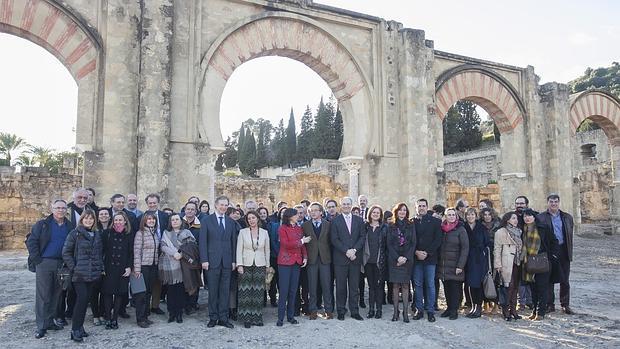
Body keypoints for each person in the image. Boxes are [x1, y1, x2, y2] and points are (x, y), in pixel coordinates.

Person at [27, 199, 75, 339]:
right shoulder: (43, 224)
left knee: (57, 295)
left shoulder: (69, 226)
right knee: (43, 295)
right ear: (52, 209)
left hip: (62, 264)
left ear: (66, 210)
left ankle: (50, 322)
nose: (61, 210)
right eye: (58, 207)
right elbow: (32, 241)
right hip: (45, 263)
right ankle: (41, 326)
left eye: (63, 208)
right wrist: (38, 260)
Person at [62, 209, 104, 343]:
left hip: (93, 274)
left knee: (86, 301)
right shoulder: (75, 234)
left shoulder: (96, 234)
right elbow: (66, 252)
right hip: (79, 274)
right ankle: (75, 330)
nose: (88, 220)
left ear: (94, 221)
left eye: (91, 218)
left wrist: (100, 268)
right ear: (82, 220)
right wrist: (74, 267)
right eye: (86, 218)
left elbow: (99, 254)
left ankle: (80, 327)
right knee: (82, 300)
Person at [200, 196, 239, 329]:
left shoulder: (230, 222)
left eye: (226, 205)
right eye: (221, 205)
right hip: (212, 262)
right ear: (216, 205)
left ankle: (223, 317)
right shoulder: (206, 221)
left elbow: (234, 242)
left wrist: (234, 260)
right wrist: (204, 260)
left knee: (225, 291)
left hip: (227, 262)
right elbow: (202, 242)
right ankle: (213, 317)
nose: (223, 207)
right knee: (213, 291)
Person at [537, 194, 574, 315]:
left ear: (559, 203)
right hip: (549, 250)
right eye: (551, 201)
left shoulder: (567, 217)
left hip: (563, 249)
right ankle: (549, 304)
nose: (554, 204)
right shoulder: (541, 217)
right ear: (547, 203)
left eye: (556, 202)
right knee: (549, 279)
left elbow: (569, 234)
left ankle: (565, 305)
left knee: (565, 279)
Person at [330, 197, 366, 321]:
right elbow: (334, 239)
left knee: (354, 287)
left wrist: (354, 250)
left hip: (355, 258)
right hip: (340, 259)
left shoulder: (359, 220)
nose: (346, 206)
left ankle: (354, 311)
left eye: (348, 204)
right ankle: (341, 310)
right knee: (340, 287)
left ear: (351, 205)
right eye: (344, 204)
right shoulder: (335, 221)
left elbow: (362, 237)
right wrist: (347, 251)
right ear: (341, 206)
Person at [522, 209, 559, 321]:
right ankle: (534, 311)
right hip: (529, 262)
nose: (527, 218)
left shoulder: (542, 228)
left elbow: (554, 241)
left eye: (529, 216)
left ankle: (541, 312)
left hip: (542, 260)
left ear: (534, 217)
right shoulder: (523, 230)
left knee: (542, 287)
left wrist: (552, 256)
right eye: (525, 216)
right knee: (533, 288)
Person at [236, 211, 270, 328]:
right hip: (245, 264)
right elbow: (238, 249)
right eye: (249, 218)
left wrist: (267, 265)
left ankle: (257, 317)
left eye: (253, 218)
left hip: (260, 264)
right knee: (245, 291)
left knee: (258, 291)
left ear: (257, 219)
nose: (251, 220)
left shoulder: (265, 233)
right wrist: (239, 264)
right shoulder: (242, 232)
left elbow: (267, 250)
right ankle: (246, 317)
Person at [276, 208, 309, 326]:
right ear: (290, 216)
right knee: (284, 291)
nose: (298, 216)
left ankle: (290, 317)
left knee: (293, 290)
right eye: (296, 214)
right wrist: (301, 241)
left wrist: (305, 257)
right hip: (285, 263)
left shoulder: (299, 228)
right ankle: (280, 318)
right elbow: (286, 244)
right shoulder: (282, 229)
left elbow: (303, 246)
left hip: (296, 262)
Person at [101, 212, 133, 329]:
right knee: (108, 293)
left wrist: (129, 266)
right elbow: (102, 251)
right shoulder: (107, 233)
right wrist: (101, 266)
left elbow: (131, 252)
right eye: (116, 220)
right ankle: (108, 318)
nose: (118, 222)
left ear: (125, 221)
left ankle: (115, 319)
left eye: (120, 220)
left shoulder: (129, 234)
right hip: (109, 267)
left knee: (119, 294)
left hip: (122, 267)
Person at [160, 214, 194, 323]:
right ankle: (171, 313)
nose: (175, 221)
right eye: (172, 220)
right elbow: (163, 246)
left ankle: (179, 313)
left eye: (177, 219)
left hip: (183, 264)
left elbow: (192, 246)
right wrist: (174, 253)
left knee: (180, 290)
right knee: (171, 290)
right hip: (170, 264)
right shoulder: (166, 233)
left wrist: (181, 254)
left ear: (181, 221)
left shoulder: (187, 233)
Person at [412, 199, 442, 322]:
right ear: (416, 208)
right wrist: (416, 252)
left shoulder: (435, 222)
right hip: (416, 258)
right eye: (419, 206)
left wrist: (427, 253)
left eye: (423, 206)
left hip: (430, 258)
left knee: (430, 285)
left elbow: (438, 239)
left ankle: (430, 310)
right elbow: (410, 240)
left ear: (427, 207)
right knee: (417, 285)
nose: (421, 208)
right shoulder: (412, 222)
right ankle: (419, 309)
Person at [302, 202, 334, 320]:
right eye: (311, 210)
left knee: (326, 285)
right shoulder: (305, 225)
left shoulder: (328, 224)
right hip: (311, 259)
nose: (313, 212)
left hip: (325, 259)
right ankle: (313, 311)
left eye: (316, 210)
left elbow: (331, 242)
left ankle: (328, 311)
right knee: (312, 286)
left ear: (321, 212)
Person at [386, 203, 416, 322]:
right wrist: (397, 258)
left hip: (407, 259)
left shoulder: (411, 225)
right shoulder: (391, 225)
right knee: (395, 286)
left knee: (405, 286)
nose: (402, 212)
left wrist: (405, 257)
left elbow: (413, 242)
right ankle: (395, 312)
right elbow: (388, 244)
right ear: (396, 212)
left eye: (404, 210)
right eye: (400, 210)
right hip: (394, 260)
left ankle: (405, 313)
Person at [437, 208, 469, 320]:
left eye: (453, 215)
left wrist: (460, 265)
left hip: (456, 264)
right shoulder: (442, 229)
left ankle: (454, 310)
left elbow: (465, 248)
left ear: (456, 216)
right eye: (449, 215)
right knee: (446, 287)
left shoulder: (461, 230)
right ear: (445, 216)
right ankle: (449, 308)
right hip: (444, 264)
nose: (451, 217)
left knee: (455, 288)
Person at [494, 211, 523, 321]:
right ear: (507, 220)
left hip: (517, 263)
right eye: (513, 218)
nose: (516, 220)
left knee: (515, 287)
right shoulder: (501, 232)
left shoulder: (519, 232)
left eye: (516, 218)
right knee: (508, 287)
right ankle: (506, 311)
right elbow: (497, 249)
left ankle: (513, 310)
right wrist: (498, 264)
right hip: (506, 263)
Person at [133, 212, 160, 328]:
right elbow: (137, 252)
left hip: (153, 266)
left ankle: (145, 316)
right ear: (144, 220)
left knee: (148, 292)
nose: (151, 221)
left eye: (153, 219)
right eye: (149, 219)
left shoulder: (154, 234)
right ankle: (140, 318)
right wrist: (137, 269)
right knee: (141, 294)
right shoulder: (140, 233)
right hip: (143, 267)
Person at [463, 208, 490, 319]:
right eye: (468, 215)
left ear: (476, 215)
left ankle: (478, 308)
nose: (470, 217)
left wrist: (483, 252)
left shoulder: (482, 227)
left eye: (472, 214)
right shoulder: (463, 227)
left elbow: (487, 242)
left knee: (478, 284)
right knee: (469, 284)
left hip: (479, 259)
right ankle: (473, 306)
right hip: (467, 258)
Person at [362, 205, 387, 319]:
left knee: (379, 286)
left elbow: (387, 246)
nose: (376, 214)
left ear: (380, 215)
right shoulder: (365, 227)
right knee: (371, 286)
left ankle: (379, 310)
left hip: (379, 261)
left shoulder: (384, 227)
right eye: (374, 212)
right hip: (368, 261)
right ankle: (371, 309)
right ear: (370, 214)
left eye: (378, 212)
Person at [182, 201, 201, 314]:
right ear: (185, 210)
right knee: (184, 281)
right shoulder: (179, 222)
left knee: (195, 280)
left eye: (192, 209)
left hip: (196, 257)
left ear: (196, 211)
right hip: (182, 258)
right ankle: (184, 304)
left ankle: (193, 303)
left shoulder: (200, 225)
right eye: (188, 209)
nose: (190, 211)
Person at [268, 206, 287, 307]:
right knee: (273, 279)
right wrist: (279, 252)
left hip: (286, 258)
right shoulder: (274, 225)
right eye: (282, 212)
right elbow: (272, 241)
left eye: (286, 212)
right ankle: (273, 299)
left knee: (282, 279)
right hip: (275, 256)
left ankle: (283, 299)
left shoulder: (291, 226)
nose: (284, 214)